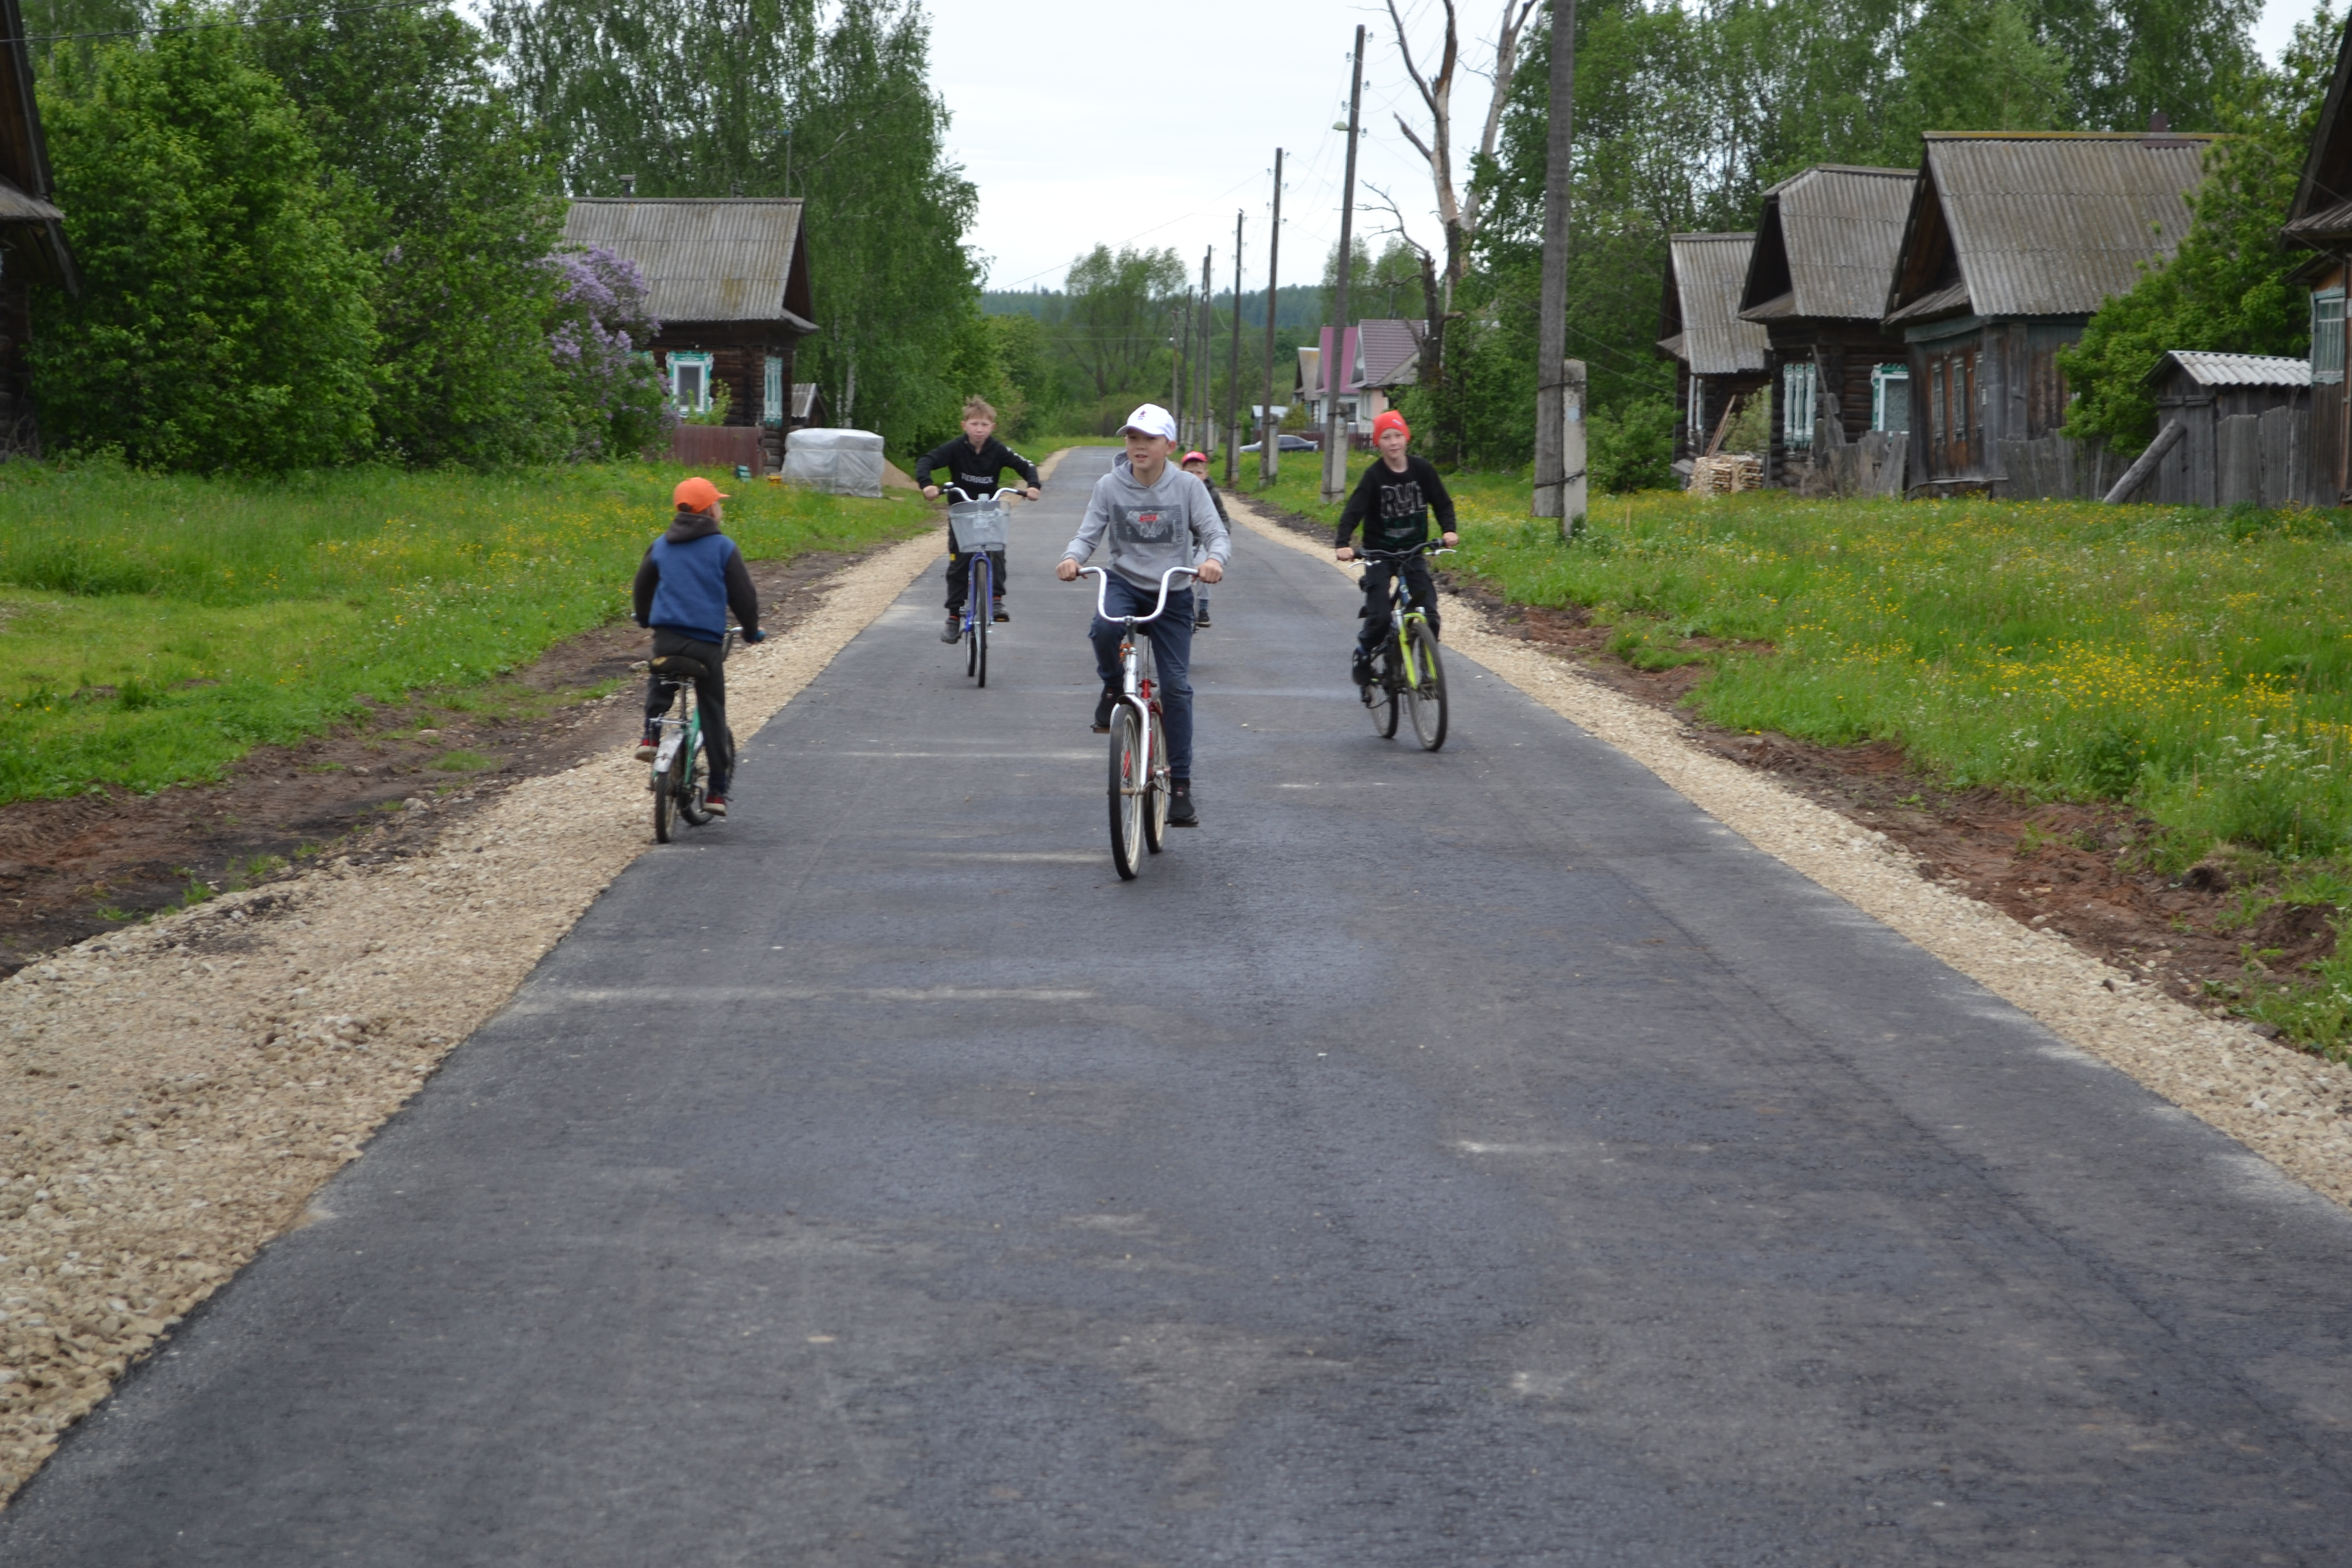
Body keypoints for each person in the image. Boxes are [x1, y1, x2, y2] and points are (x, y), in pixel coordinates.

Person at [1056, 404, 1229, 827]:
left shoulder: (1189, 487)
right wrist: (1071, 558)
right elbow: (1088, 533)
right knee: (1103, 628)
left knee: (1175, 689)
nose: (1139, 445)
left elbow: (1215, 533)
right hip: (1125, 583)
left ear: (1169, 445)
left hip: (1173, 591)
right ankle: (1114, 688)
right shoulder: (1109, 486)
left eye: (1149, 439)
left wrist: (1213, 561)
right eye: (1132, 437)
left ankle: (1182, 786)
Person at [631, 475, 767, 818]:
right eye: (718, 503)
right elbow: (744, 596)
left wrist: (647, 618)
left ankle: (650, 734)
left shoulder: (661, 545)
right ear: (710, 510)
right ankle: (717, 790)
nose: (720, 508)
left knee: (659, 676)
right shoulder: (723, 548)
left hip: (667, 638)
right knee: (712, 710)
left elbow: (642, 587)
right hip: (706, 645)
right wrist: (751, 630)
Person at [1335, 409, 1457, 691]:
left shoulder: (1422, 470)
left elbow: (1442, 503)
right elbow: (1354, 511)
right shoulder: (1373, 476)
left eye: (1398, 435)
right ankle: (1364, 654)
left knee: (1430, 613)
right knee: (1380, 617)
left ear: (1407, 438)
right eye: (1386, 437)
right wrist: (1343, 544)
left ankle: (1428, 671)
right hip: (1379, 554)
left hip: (1414, 552)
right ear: (1378, 443)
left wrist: (1449, 530)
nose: (1393, 442)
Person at [916, 397, 1042, 643]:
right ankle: (953, 617)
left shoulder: (998, 449)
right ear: (965, 425)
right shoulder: (954, 448)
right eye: (975, 424)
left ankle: (996, 601)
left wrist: (1033, 486)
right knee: (959, 563)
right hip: (962, 513)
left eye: (984, 425)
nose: (979, 429)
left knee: (996, 551)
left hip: (989, 511)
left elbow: (1027, 466)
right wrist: (927, 485)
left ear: (992, 427)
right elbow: (926, 461)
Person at [1178, 450, 1230, 629]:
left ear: (1206, 474)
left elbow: (1222, 519)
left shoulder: (1212, 495)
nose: (1194, 476)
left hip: (1202, 542)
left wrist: (1222, 534)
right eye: (1189, 472)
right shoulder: (1176, 492)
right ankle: (1180, 607)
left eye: (1198, 473)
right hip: (1181, 542)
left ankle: (1203, 608)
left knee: (1203, 571)